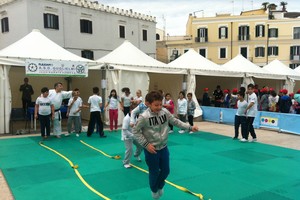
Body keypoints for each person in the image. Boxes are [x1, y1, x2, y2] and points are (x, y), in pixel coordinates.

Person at [132, 91, 198, 200]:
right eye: (156, 105)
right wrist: (146, 145)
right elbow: (135, 131)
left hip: (163, 148)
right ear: (148, 104)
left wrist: (189, 127)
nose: (159, 107)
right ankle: (154, 190)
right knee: (154, 172)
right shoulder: (144, 117)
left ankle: (160, 186)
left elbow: (175, 121)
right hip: (151, 150)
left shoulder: (165, 112)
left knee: (166, 170)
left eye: (160, 104)